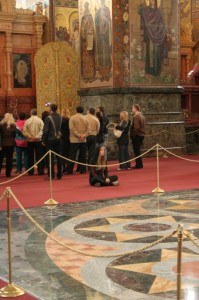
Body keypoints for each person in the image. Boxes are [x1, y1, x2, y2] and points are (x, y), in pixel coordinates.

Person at [138, 0, 168, 76]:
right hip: (149, 34)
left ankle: (156, 71)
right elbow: (140, 12)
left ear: (155, 1)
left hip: (157, 34)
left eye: (153, 0)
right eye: (150, 0)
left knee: (156, 52)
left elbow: (161, 22)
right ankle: (149, 70)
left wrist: (162, 31)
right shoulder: (146, 10)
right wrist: (141, 5)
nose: (151, 1)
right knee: (149, 51)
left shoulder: (158, 11)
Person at [65, 106, 90, 175]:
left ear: (76, 110)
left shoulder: (72, 118)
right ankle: (83, 170)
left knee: (72, 155)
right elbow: (88, 130)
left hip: (74, 140)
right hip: (83, 140)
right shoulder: (86, 118)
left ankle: (70, 170)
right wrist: (83, 136)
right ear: (83, 111)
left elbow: (72, 129)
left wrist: (79, 135)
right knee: (83, 155)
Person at [42, 103, 63, 180]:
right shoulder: (61, 117)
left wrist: (43, 140)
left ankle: (51, 175)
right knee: (59, 157)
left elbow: (46, 130)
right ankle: (59, 174)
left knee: (50, 158)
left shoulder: (48, 118)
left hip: (50, 140)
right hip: (59, 139)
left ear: (50, 109)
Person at [23, 108, 44, 175]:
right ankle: (40, 170)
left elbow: (24, 130)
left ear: (30, 113)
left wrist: (30, 136)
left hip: (30, 140)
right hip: (38, 140)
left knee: (30, 156)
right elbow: (42, 130)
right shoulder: (40, 120)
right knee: (39, 156)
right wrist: (37, 137)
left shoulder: (27, 121)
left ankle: (31, 171)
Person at [95, 0, 112, 81]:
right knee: (101, 52)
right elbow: (96, 22)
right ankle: (102, 74)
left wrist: (106, 20)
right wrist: (97, 19)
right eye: (101, 2)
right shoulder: (98, 11)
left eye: (103, 1)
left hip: (106, 34)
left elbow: (109, 20)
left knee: (107, 52)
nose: (102, 3)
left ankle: (107, 73)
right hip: (100, 35)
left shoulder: (107, 9)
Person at [80, 1, 95, 82]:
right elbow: (81, 29)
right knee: (85, 58)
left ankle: (91, 75)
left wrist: (89, 31)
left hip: (90, 38)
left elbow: (92, 27)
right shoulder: (82, 18)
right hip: (84, 41)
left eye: (87, 6)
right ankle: (86, 76)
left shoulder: (90, 16)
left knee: (90, 57)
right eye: (85, 6)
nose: (86, 8)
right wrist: (83, 33)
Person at [0, 113, 16, 177]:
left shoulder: (1, 125)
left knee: (0, 159)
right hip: (11, 144)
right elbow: (15, 135)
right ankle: (8, 173)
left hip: (2, 144)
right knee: (9, 159)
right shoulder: (13, 126)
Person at [130, 104, 145, 169]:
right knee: (138, 150)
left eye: (132, 108)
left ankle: (138, 165)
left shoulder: (136, 117)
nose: (132, 109)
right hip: (141, 135)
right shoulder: (142, 115)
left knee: (136, 151)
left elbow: (136, 127)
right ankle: (139, 164)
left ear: (135, 109)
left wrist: (132, 135)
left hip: (137, 135)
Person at [60, 108, 70, 173]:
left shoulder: (61, 120)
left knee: (62, 154)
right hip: (68, 138)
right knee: (68, 154)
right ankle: (68, 167)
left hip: (62, 138)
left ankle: (64, 167)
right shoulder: (70, 120)